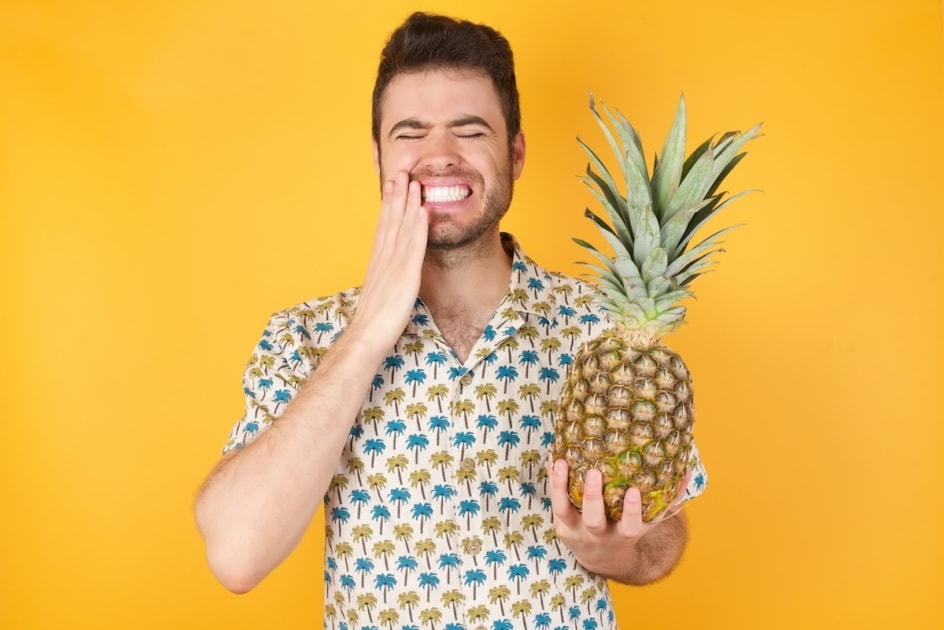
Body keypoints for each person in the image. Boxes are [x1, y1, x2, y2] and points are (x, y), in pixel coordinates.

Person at [194, 11, 707, 629]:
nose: (439, 156)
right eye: (410, 133)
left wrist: (617, 550)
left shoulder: (607, 334)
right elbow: (236, 554)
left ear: (514, 153)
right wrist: (368, 331)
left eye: (470, 131)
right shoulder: (306, 336)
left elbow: (664, 535)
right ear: (379, 156)